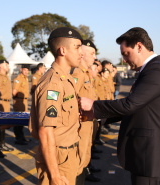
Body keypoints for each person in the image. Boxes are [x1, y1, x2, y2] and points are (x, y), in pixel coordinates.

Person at [79, 27, 160, 185]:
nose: (124, 60)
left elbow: (130, 104)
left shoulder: (157, 70)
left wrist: (93, 105)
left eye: (126, 53)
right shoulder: (151, 70)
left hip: (151, 157)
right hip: (146, 156)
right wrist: (96, 115)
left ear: (139, 46)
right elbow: (135, 107)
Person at [28, 27, 83, 185]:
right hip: (58, 160)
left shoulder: (66, 78)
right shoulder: (53, 83)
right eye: (77, 47)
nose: (81, 53)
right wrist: (55, 175)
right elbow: (46, 131)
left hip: (68, 154)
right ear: (63, 50)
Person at [71, 39, 99, 184]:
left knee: (84, 159)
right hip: (80, 126)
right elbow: (69, 99)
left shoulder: (86, 74)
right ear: (82, 55)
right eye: (92, 53)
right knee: (78, 164)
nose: (94, 57)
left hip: (87, 125)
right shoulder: (78, 74)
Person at [0, 60, 14, 155]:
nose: (8, 66)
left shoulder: (5, 77)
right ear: (1, 66)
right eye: (6, 64)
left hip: (6, 104)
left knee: (3, 125)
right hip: (0, 103)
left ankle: (2, 144)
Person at [13, 64, 30, 145]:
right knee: (18, 121)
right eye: (25, 70)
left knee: (22, 121)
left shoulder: (25, 78)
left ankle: (22, 137)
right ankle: (18, 138)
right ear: (21, 70)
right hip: (19, 101)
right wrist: (17, 100)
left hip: (24, 101)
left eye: (27, 70)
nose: (26, 72)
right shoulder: (18, 79)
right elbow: (14, 92)